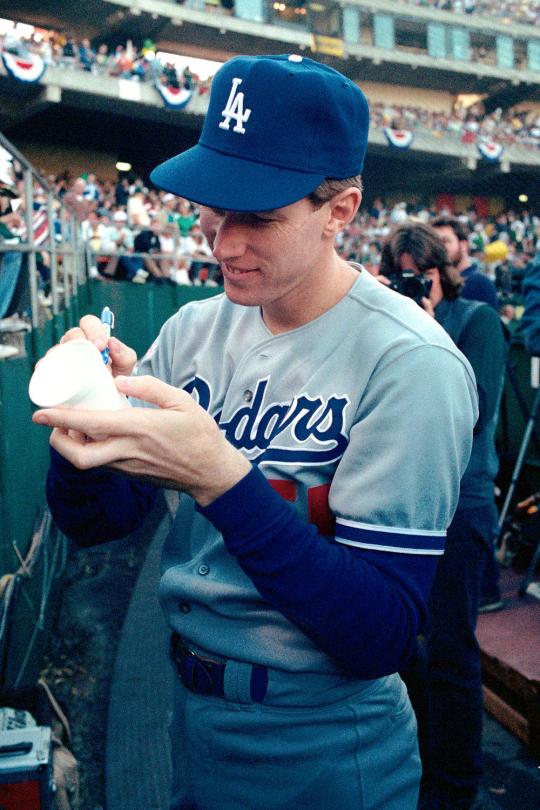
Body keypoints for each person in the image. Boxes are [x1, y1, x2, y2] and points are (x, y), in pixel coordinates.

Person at [35, 54, 478, 810]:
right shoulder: (193, 329)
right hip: (193, 716)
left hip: (326, 743)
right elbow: (104, 524)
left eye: (260, 215)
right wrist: (87, 429)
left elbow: (380, 636)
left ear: (340, 209)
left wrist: (221, 477)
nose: (224, 243)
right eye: (217, 208)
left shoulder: (412, 362)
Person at [379, 220, 507, 810]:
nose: (413, 288)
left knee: (452, 649)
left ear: (442, 274)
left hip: (462, 502)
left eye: (420, 277)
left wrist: (424, 327)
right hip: (404, 500)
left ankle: (458, 788)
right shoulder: (385, 327)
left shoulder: (476, 320)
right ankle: (416, 769)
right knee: (402, 643)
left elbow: (473, 411)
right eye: (401, 277)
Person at [432, 215, 499, 311]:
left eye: (445, 241)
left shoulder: (480, 284)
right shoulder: (436, 281)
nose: (438, 247)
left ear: (463, 245)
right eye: (435, 242)